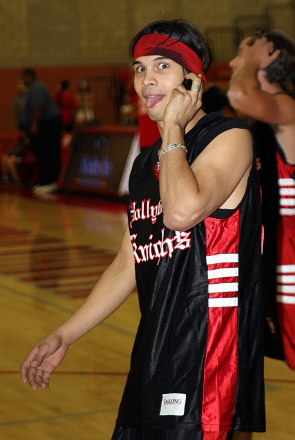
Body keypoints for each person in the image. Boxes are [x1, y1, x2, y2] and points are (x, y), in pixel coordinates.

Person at [21, 20, 265, 440]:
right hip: (154, 355)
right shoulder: (145, 163)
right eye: (138, 68)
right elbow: (128, 262)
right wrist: (65, 334)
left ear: (193, 80)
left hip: (210, 359)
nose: (145, 79)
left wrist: (171, 126)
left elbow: (182, 211)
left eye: (161, 66)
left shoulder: (229, 137)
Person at [228, 30, 295, 374]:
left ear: (268, 57)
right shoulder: (263, 119)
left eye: (241, 53)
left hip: (289, 247)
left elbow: (238, 93)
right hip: (272, 248)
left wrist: (253, 60)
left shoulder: (285, 106)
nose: (233, 62)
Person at [21, 68, 62, 194]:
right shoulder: (35, 87)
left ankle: (50, 182)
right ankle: (46, 180)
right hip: (46, 125)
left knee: (47, 153)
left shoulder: (37, 88)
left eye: (23, 77)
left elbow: (39, 107)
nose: (22, 80)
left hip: (47, 125)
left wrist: (34, 124)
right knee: (43, 154)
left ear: (29, 76)